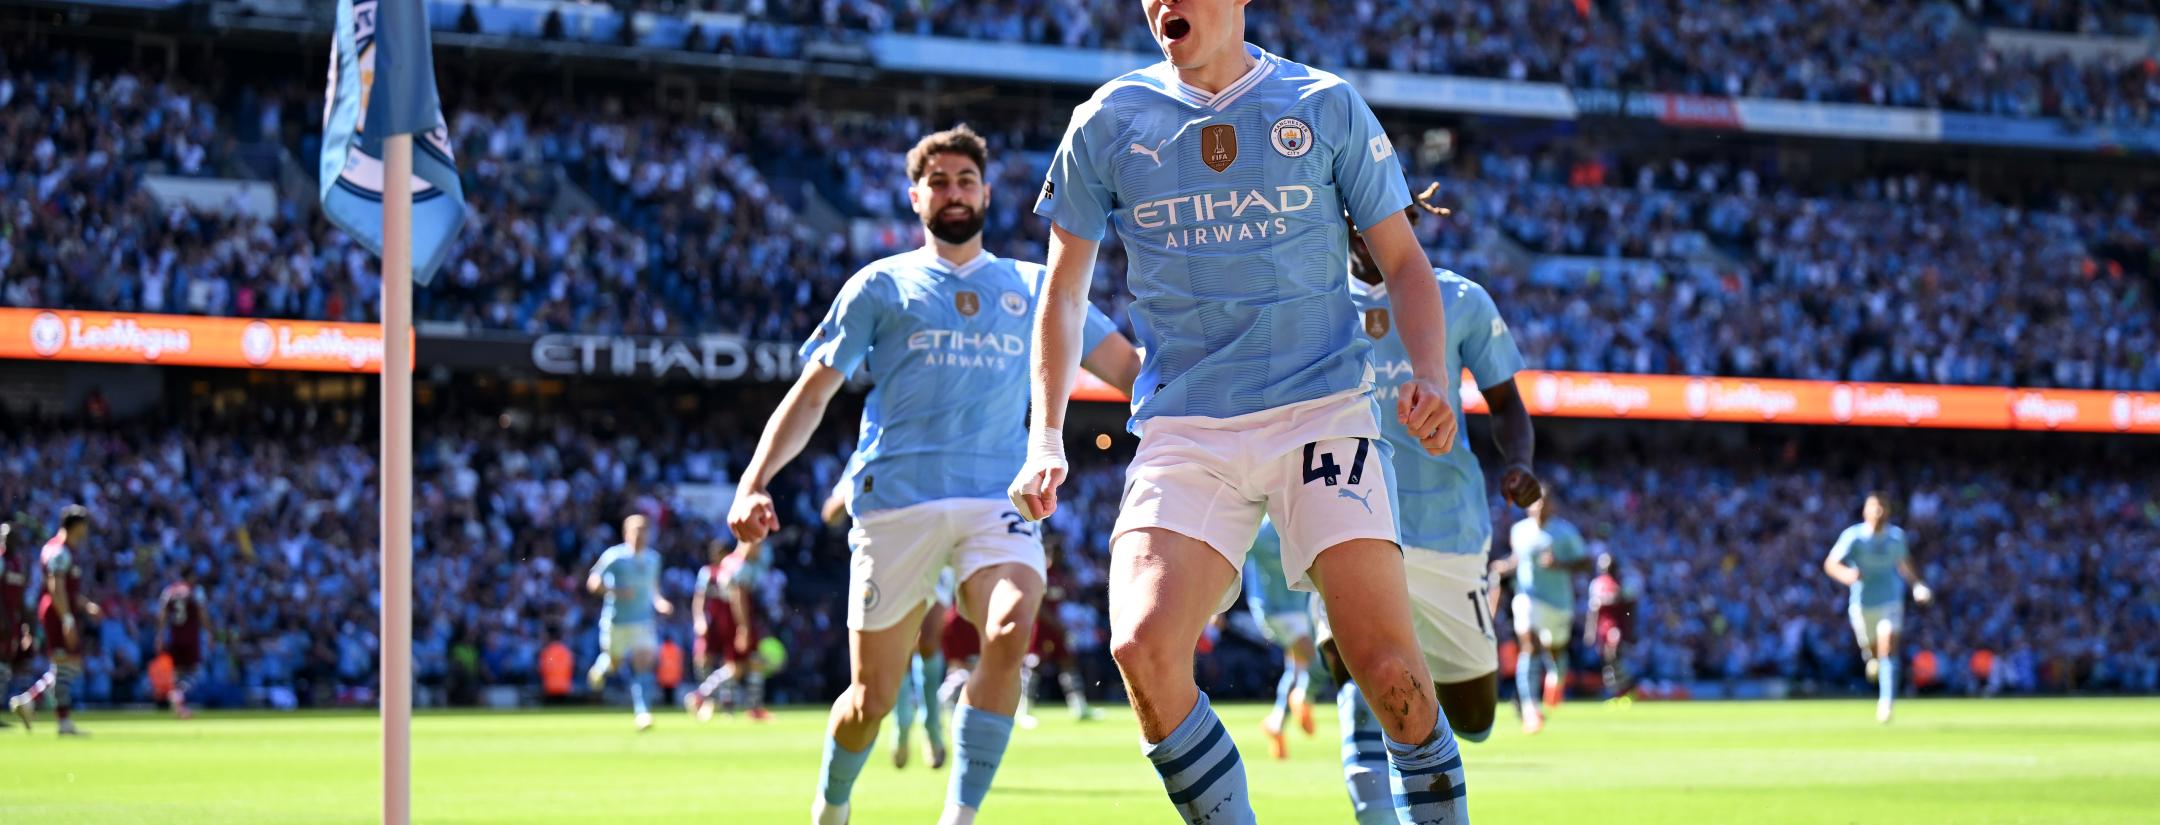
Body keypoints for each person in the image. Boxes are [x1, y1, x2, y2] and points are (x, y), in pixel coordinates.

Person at [1013, 0, 1472, 818]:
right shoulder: (1107, 120)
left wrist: (1433, 377)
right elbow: (1063, 293)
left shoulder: (1322, 104)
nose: (1162, 5)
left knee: (1392, 675)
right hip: (1186, 425)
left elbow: (1404, 262)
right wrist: (1045, 434)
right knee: (1141, 649)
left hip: (1320, 412)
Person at [727, 125, 1139, 825]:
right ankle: (832, 805)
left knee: (1011, 628)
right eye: (940, 182)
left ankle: (960, 816)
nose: (954, 193)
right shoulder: (879, 285)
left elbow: (1130, 371)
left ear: (986, 192)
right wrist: (754, 478)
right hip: (896, 505)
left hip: (997, 498)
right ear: (915, 195)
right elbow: (813, 393)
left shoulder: (1035, 286)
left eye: (966, 181)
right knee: (870, 700)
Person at [1323, 187, 1541, 822]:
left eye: (1385, 214)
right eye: (1353, 218)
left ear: (1410, 218)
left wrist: (1520, 464)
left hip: (1448, 527)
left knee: (1473, 718)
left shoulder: (1461, 298)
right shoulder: (1311, 299)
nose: (1366, 229)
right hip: (1341, 512)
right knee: (1360, 672)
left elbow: (1508, 407)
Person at [1823, 491, 1933, 723]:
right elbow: (1831, 564)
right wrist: (1848, 575)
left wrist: (1917, 585)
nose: (1879, 512)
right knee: (1874, 653)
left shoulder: (1896, 537)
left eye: (1883, 507)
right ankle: (1872, 661)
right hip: (1863, 604)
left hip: (1891, 600)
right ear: (1865, 511)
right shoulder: (1853, 537)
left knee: (1888, 649)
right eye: (1874, 507)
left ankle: (1886, 703)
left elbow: (1904, 564)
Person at [1495, 497, 1589, 734]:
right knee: (1530, 646)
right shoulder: (1519, 530)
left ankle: (1556, 678)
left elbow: (1585, 563)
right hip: (1527, 598)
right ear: (1529, 506)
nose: (1539, 508)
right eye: (1536, 503)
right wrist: (1505, 565)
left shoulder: (1564, 532)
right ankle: (1530, 709)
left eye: (1545, 503)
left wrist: (1560, 564)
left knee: (1555, 650)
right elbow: (1519, 559)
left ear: (1552, 506)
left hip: (1558, 603)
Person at [586, 514, 673, 732]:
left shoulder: (654, 558)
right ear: (627, 533)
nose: (640, 534)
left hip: (642, 621)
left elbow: (654, 588)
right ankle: (602, 667)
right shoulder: (615, 557)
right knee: (615, 664)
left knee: (643, 662)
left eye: (644, 529)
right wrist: (615, 591)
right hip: (616, 621)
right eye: (636, 530)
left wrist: (660, 603)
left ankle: (642, 712)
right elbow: (593, 582)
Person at [1241, 519, 1316, 760]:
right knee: (1313, 655)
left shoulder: (1301, 524)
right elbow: (1232, 555)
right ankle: (1304, 694)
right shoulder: (1261, 529)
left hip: (1298, 609)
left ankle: (1276, 721)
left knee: (1296, 667)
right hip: (1273, 610)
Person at [21, 505, 97, 735]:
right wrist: (67, 620)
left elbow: (66, 590)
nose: (86, 531)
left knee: (67, 666)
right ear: (76, 526)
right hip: (57, 613)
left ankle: (33, 702)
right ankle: (41, 706)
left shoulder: (62, 549)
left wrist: (85, 605)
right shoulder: (60, 551)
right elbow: (55, 587)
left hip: (60, 610)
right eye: (84, 526)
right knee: (66, 665)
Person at [687, 538, 773, 722]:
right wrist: (743, 627)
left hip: (729, 619)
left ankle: (752, 706)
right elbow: (738, 596)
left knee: (754, 662)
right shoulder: (740, 565)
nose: (760, 552)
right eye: (758, 546)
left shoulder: (728, 563)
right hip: (736, 620)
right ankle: (702, 695)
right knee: (736, 668)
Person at [1586, 553, 1642, 703]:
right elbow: (1593, 610)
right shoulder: (1596, 584)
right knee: (1607, 662)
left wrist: (1631, 627)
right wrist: (1590, 631)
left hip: (1616, 626)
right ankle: (1619, 692)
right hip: (1602, 627)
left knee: (1613, 655)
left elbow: (1631, 606)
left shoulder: (1623, 582)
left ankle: (1629, 686)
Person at [157, 568, 213, 719]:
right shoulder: (195, 591)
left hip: (174, 638)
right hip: (191, 638)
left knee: (177, 673)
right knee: (194, 672)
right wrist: (208, 632)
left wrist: (160, 635)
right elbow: (202, 613)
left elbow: (162, 614)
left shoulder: (169, 591)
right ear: (191, 576)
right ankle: (178, 695)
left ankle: (180, 708)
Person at [0, 520, 35, 730]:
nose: (6, 541)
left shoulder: (18, 563)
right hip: (3, 619)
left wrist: (25, 624)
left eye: (10, 537)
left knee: (5, 664)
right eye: (3, 537)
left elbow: (20, 596)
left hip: (12, 621)